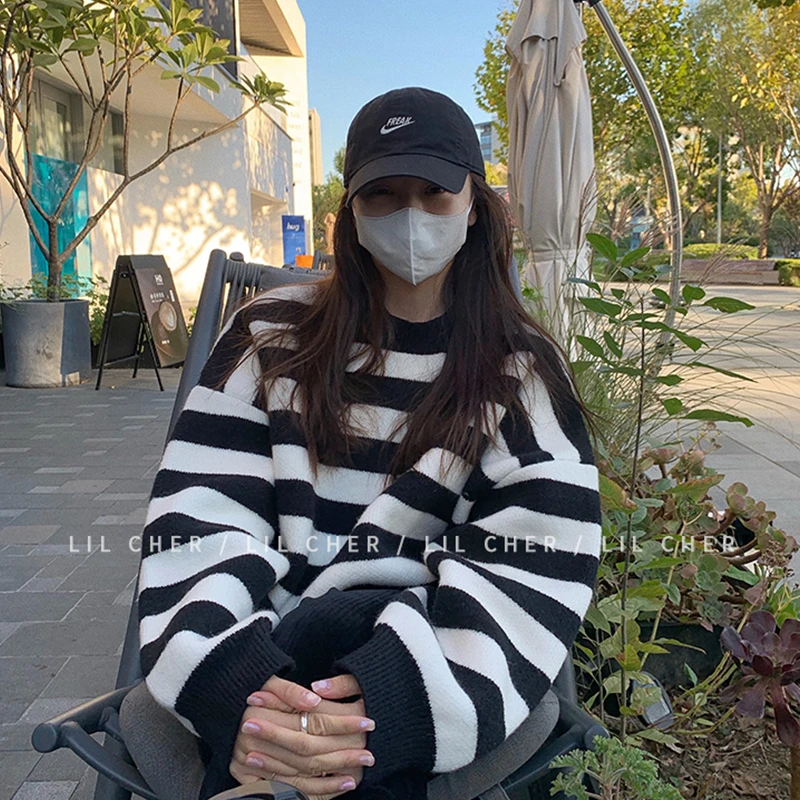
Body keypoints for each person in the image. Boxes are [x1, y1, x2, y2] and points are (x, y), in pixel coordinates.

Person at [135, 86, 602, 800]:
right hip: (263, 654)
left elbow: (534, 557)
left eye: (433, 192)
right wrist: (245, 694)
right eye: (382, 193)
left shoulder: (521, 372)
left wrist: (385, 706)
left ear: (475, 206)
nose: (410, 215)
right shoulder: (270, 336)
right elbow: (200, 517)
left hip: (431, 673)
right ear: (350, 212)